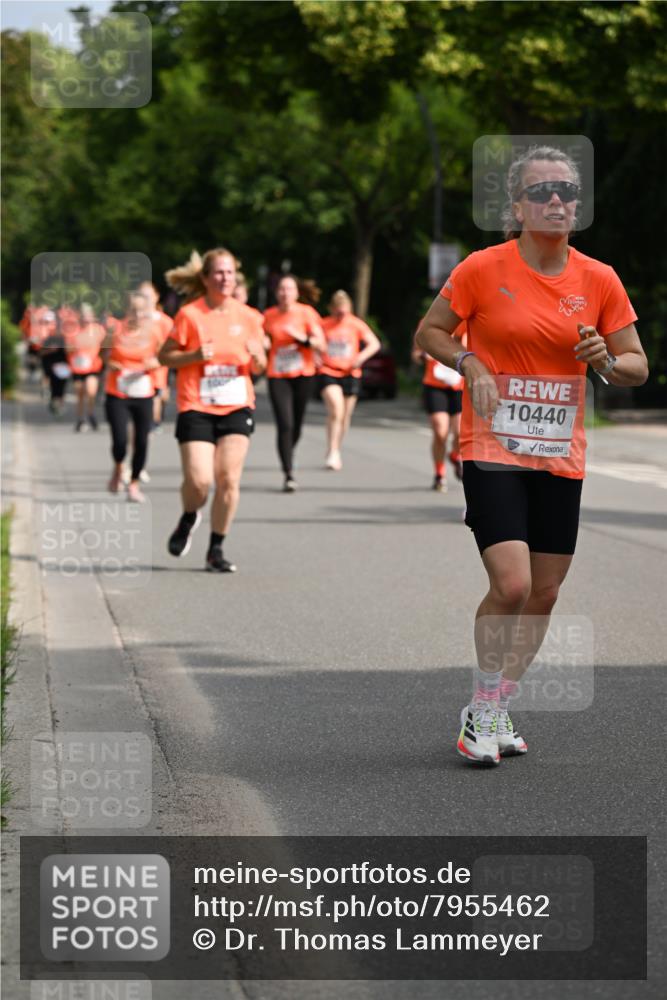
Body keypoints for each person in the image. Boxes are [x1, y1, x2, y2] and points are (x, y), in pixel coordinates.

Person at [416, 145, 648, 766]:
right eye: (542, 191)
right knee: (513, 583)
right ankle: (481, 708)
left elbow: (637, 365)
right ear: (517, 206)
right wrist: (469, 361)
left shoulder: (599, 279)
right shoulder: (481, 268)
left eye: (567, 191)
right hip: (492, 444)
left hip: (559, 452)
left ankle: (497, 703)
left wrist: (606, 360)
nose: (556, 201)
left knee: (544, 592)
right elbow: (430, 332)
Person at [159, 248, 266, 572]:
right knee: (199, 481)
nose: (225, 278)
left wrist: (258, 358)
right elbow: (165, 356)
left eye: (230, 272)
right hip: (196, 404)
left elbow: (260, 366)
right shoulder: (190, 315)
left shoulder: (249, 317)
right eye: (219, 272)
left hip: (237, 405)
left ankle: (215, 549)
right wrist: (193, 356)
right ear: (205, 278)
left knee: (228, 479)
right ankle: (189, 516)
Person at [263, 274, 326, 491]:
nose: (285, 293)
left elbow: (321, 344)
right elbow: (262, 338)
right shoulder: (269, 316)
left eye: (289, 289)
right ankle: (288, 473)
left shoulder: (306, 313)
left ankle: (289, 450)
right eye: (281, 289)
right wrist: (264, 343)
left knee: (296, 425)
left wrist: (302, 338)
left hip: (303, 374)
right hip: (277, 375)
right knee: (285, 424)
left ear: (297, 293)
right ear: (276, 293)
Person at [103, 291, 161, 502]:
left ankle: (134, 483)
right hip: (117, 392)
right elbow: (103, 355)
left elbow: (163, 356)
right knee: (120, 440)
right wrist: (111, 364)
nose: (137, 315)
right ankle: (119, 467)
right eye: (133, 310)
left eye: (141, 311)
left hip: (143, 392)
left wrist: (154, 363)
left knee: (142, 441)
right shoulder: (115, 330)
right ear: (126, 311)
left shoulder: (153, 333)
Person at [318, 290, 380, 470]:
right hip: (328, 371)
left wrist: (361, 357)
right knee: (336, 410)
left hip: (350, 373)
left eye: (344, 313)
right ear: (332, 309)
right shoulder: (324, 324)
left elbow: (374, 344)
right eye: (338, 312)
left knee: (345, 416)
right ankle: (332, 450)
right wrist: (316, 356)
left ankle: (336, 448)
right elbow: (315, 343)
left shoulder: (356, 324)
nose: (341, 316)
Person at [412, 322, 466, 491]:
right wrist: (424, 356)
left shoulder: (465, 322)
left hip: (459, 386)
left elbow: (472, 349)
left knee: (459, 432)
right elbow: (416, 354)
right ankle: (439, 474)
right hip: (434, 385)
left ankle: (455, 455)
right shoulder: (429, 321)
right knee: (440, 432)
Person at [137, 280, 174, 434]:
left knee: (158, 396)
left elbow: (172, 347)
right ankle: (148, 423)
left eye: (148, 296)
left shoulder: (165, 322)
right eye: (141, 296)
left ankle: (154, 421)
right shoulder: (135, 320)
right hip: (139, 367)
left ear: (156, 297)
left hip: (159, 366)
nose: (145, 300)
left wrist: (159, 359)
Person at [65, 303, 105, 431]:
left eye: (88, 316)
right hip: (77, 367)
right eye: (83, 316)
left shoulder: (98, 330)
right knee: (80, 393)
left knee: (91, 391)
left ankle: (91, 413)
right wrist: (74, 349)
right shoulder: (73, 330)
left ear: (93, 316)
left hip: (93, 367)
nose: (86, 319)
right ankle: (80, 418)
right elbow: (67, 348)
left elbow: (105, 346)